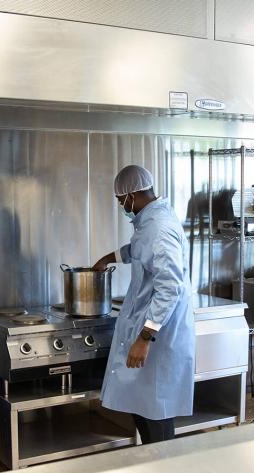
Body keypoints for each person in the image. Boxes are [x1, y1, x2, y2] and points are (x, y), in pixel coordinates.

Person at [91, 165, 195, 443]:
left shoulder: (158, 228)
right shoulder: (151, 221)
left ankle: (164, 464)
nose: (121, 206)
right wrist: (110, 257)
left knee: (155, 410)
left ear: (132, 195)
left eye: (120, 200)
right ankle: (154, 461)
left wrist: (145, 337)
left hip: (159, 335)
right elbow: (139, 249)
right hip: (149, 327)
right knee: (143, 405)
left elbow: (170, 287)